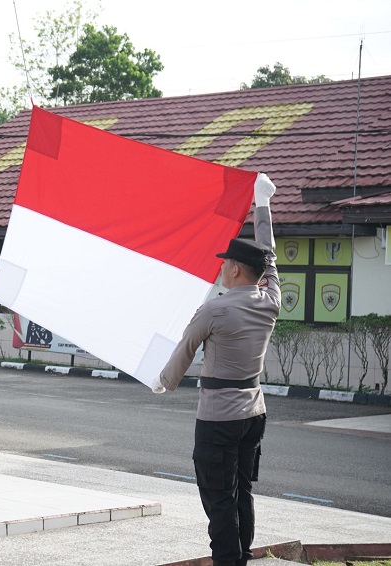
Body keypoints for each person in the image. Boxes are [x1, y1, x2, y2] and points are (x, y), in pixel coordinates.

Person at [155, 174, 280, 566]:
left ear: (238, 271)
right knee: (241, 490)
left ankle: (228, 560)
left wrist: (163, 382)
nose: (222, 267)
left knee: (217, 496)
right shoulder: (270, 299)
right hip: (253, 411)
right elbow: (269, 256)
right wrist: (263, 203)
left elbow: (186, 347)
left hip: (219, 417)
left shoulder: (216, 309)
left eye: (226, 263)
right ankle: (239, 555)